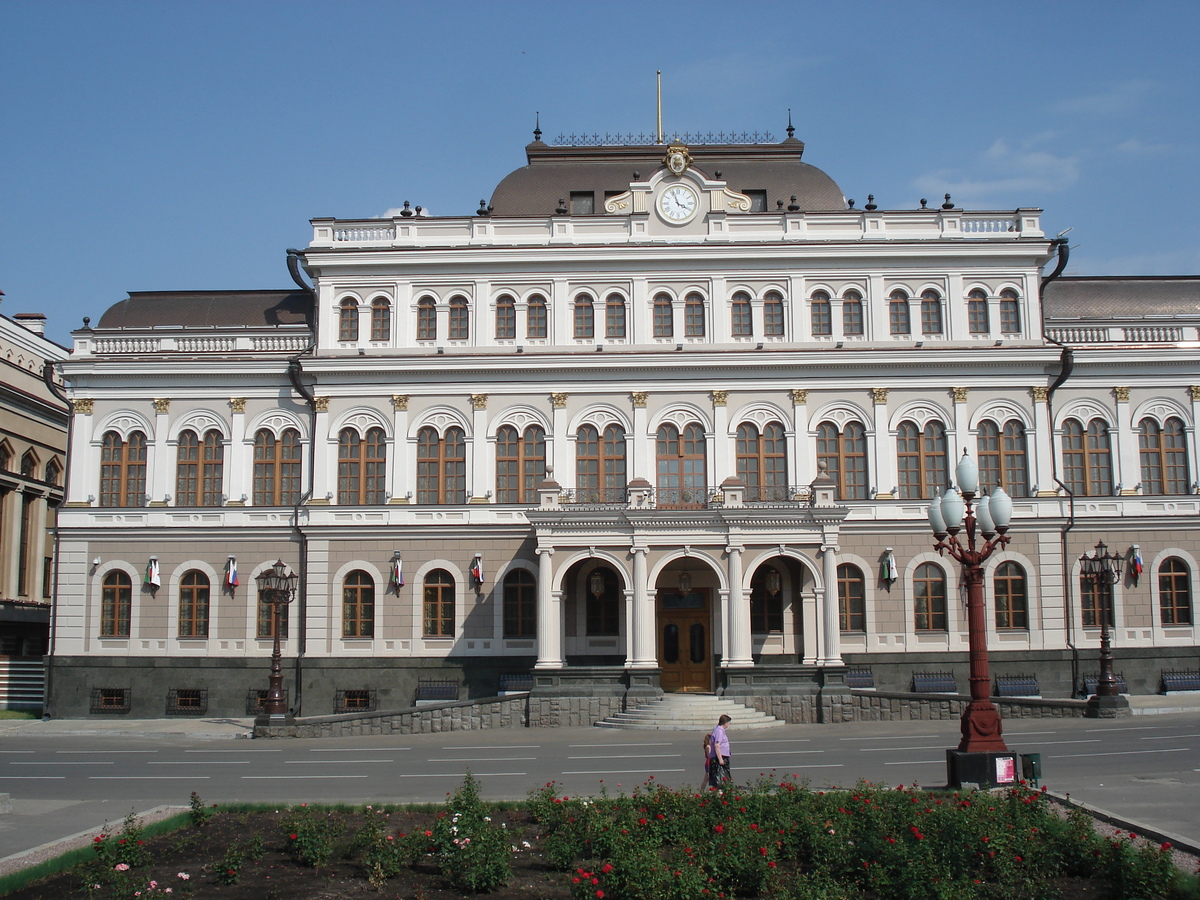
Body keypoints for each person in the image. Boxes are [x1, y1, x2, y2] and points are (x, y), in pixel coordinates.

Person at [708, 714, 731, 788]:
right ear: (725, 723)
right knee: (720, 777)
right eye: (728, 723)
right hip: (720, 757)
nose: (729, 724)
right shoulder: (719, 731)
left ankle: (721, 790)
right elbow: (717, 745)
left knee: (722, 777)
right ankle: (721, 792)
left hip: (721, 756)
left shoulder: (719, 730)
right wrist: (720, 759)